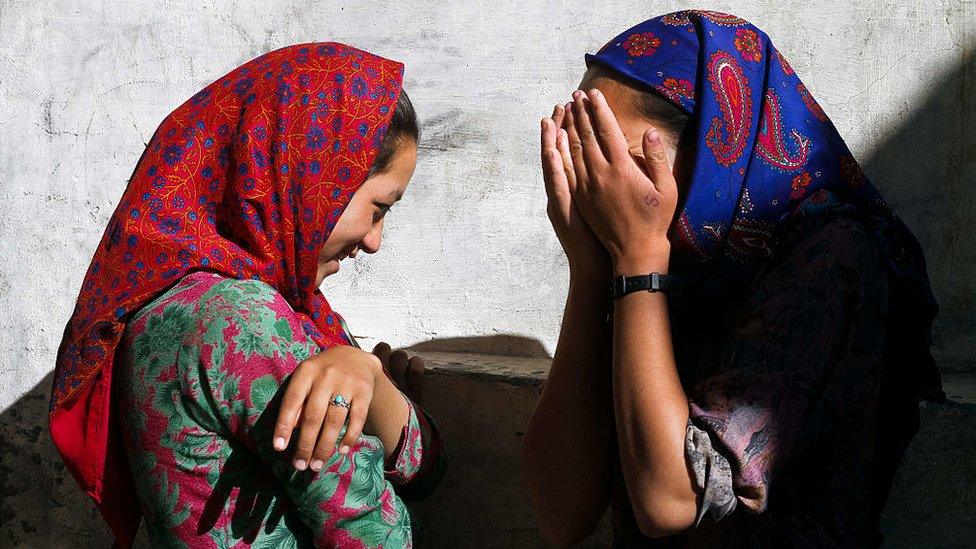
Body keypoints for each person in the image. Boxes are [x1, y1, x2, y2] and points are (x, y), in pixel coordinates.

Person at [522, 10, 942, 547]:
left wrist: (638, 260)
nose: (605, 191)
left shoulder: (829, 257)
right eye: (589, 163)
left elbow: (669, 501)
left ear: (720, 148)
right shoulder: (664, 257)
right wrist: (589, 270)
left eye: (622, 161)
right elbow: (562, 514)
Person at [49, 42, 445, 548]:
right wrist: (372, 383)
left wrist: (368, 374)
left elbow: (424, 462)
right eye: (378, 207)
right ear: (316, 174)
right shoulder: (245, 324)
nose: (373, 241)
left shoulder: (169, 297)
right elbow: (374, 528)